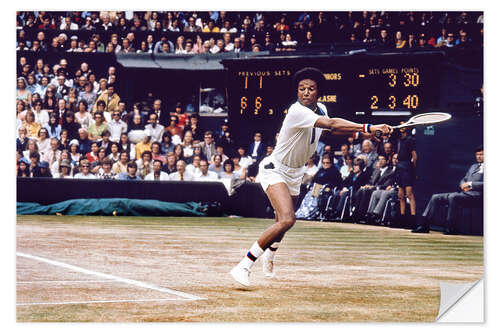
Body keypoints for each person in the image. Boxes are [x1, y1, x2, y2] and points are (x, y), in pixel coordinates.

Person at [229, 67, 392, 287]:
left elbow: (331, 131)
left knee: (282, 222)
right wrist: (369, 126)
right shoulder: (297, 111)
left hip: (296, 172)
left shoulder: (320, 108)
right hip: (274, 169)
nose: (305, 92)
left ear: (318, 92)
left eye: (311, 89)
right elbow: (332, 124)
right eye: (301, 89)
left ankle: (270, 253)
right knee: (287, 219)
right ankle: (244, 265)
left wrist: (366, 133)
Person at [413, 146, 484, 235]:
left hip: (478, 195)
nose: (478, 156)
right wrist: (462, 185)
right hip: (465, 193)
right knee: (435, 197)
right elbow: (464, 179)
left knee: (453, 197)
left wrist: (471, 185)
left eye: (481, 154)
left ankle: (450, 227)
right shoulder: (473, 166)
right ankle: (424, 225)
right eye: (477, 154)